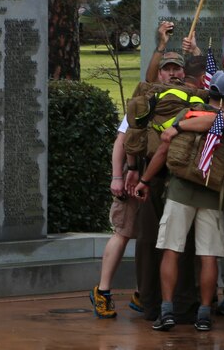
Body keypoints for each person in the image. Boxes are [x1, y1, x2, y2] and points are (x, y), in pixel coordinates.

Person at [134, 70, 224, 332]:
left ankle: (167, 310)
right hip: (212, 196)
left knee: (171, 250)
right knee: (208, 256)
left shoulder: (187, 114)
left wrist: (145, 181)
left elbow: (163, 149)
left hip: (179, 191)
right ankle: (204, 313)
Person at [125, 53, 206, 322]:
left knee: (184, 244)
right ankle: (151, 304)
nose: (172, 73)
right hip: (153, 177)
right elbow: (133, 136)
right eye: (167, 69)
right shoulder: (148, 97)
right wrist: (133, 171)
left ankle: (183, 306)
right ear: (159, 73)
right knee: (149, 242)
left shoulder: (199, 96)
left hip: (184, 178)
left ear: (184, 73)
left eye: (177, 69)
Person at [89, 117, 144, 318]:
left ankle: (143, 292)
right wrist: (117, 177)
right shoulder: (140, 105)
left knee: (151, 237)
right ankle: (102, 291)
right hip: (133, 176)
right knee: (122, 232)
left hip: (156, 178)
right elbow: (121, 140)